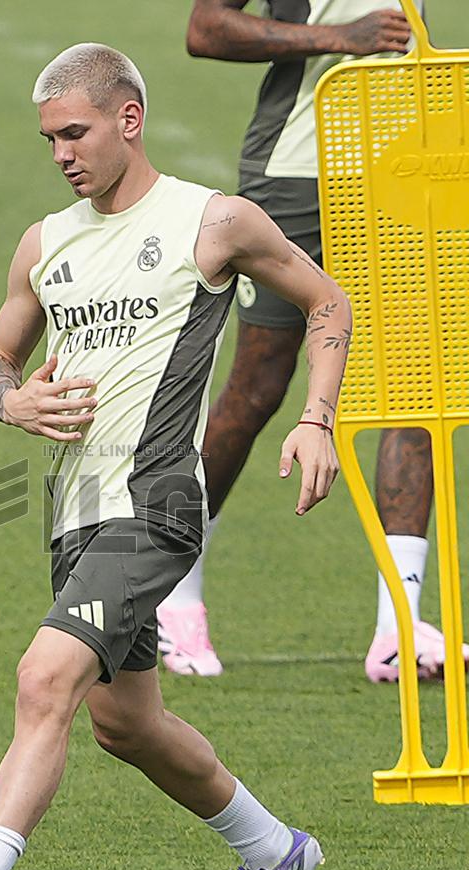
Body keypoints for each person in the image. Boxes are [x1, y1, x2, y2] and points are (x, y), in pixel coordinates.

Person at [0, 42, 351, 870]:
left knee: (44, 678)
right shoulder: (46, 244)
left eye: (75, 132)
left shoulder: (214, 222)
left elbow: (328, 302)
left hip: (157, 504)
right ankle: (276, 851)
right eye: (49, 139)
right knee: (126, 724)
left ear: (129, 119)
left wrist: (315, 419)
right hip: (74, 514)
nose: (61, 154)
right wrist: (11, 401)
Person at [158, 0, 469, 682]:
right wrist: (339, 39)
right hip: (299, 171)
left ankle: (399, 626)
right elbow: (205, 27)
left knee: (414, 383)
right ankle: (173, 598)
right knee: (259, 384)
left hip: (407, 170)